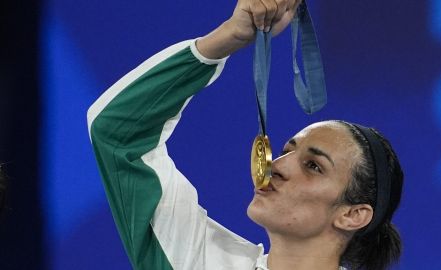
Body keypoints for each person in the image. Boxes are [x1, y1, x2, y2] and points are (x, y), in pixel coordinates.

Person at [87, 0, 403, 269]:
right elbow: (117, 132)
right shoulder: (198, 259)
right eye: (286, 150)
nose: (276, 166)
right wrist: (226, 38)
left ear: (353, 215)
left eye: (313, 166)